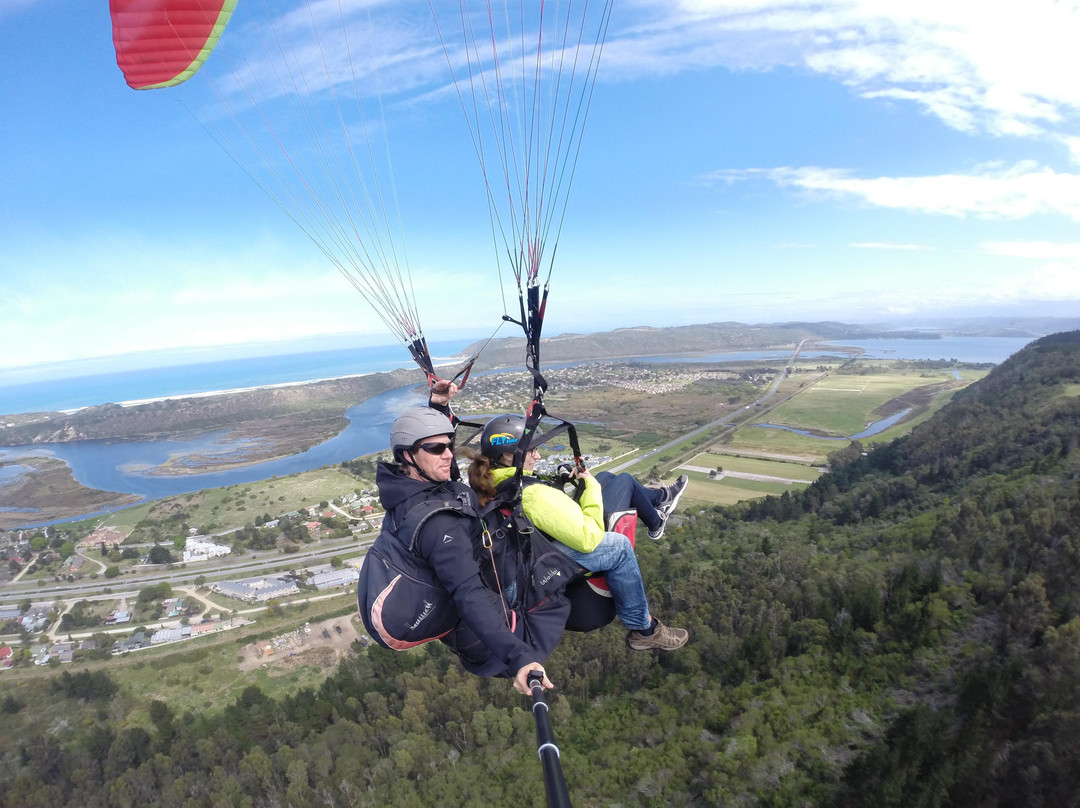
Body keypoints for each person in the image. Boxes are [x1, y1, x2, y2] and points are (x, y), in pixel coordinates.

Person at [357, 407, 566, 694]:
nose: (448, 455)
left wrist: (439, 406)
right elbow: (468, 593)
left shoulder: (405, 491)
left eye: (449, 446)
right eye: (436, 448)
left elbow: (453, 482)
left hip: (468, 635)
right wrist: (520, 657)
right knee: (566, 571)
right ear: (407, 455)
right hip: (498, 638)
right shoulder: (440, 526)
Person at [468, 413, 689, 651]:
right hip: (540, 570)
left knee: (607, 477)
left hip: (528, 559)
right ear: (509, 455)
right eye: (532, 450)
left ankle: (660, 503)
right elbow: (589, 538)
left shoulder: (489, 483)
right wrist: (590, 486)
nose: (538, 455)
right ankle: (645, 629)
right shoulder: (531, 494)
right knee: (619, 545)